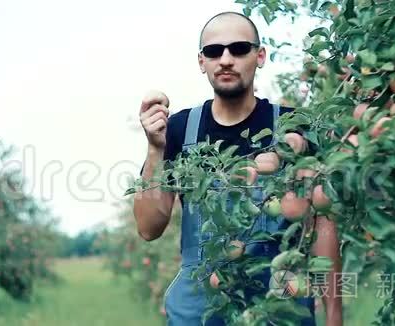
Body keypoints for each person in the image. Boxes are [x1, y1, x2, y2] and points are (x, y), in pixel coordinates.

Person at [134, 11, 343, 326]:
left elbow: (322, 225)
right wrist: (155, 148)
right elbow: (149, 228)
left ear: (259, 56)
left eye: (239, 49)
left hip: (279, 305)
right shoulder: (178, 130)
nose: (226, 59)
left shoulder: (294, 128)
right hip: (199, 311)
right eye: (215, 51)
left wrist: (334, 315)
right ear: (202, 61)